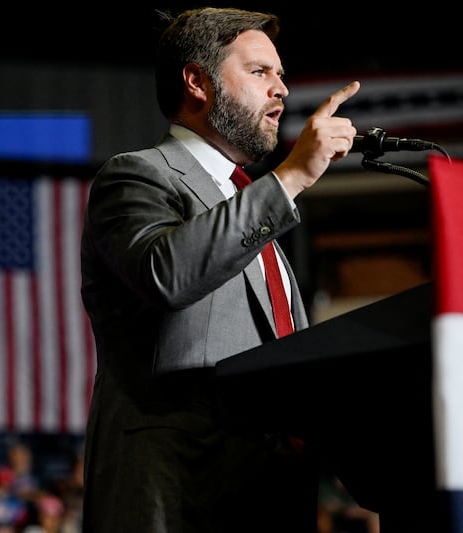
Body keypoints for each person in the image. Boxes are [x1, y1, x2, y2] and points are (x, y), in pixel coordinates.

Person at [79, 6, 361, 533]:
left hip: (268, 494)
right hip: (179, 492)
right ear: (197, 82)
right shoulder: (137, 176)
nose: (281, 89)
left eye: (280, 74)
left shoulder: (252, 202)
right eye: (259, 72)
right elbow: (168, 274)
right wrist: (294, 175)